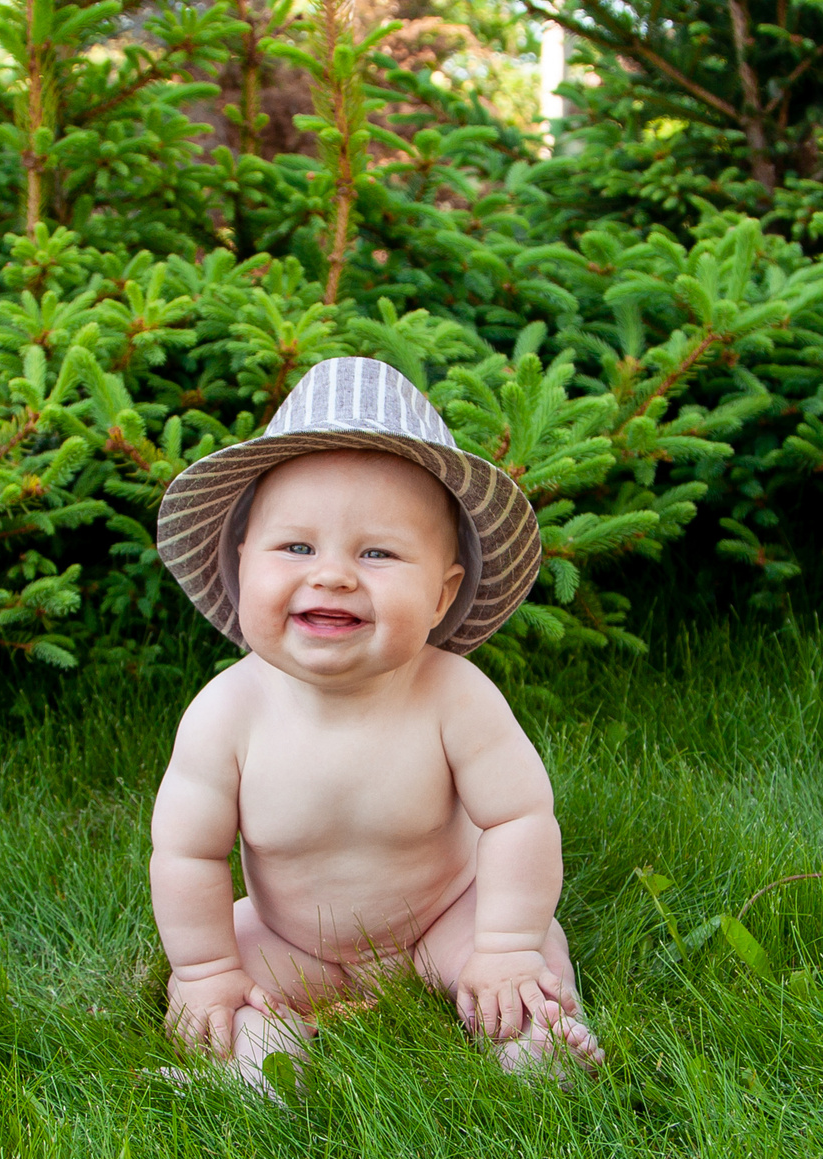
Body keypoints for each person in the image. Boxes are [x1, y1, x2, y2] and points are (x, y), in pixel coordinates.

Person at [148, 356, 606, 1092]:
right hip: (293, 939)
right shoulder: (225, 715)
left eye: (378, 553)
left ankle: (534, 1041)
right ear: (241, 565)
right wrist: (205, 970)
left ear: (441, 593)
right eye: (296, 547)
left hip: (443, 922)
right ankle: (262, 1052)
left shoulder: (454, 696)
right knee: (220, 964)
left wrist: (506, 943)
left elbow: (521, 817)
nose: (331, 575)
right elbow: (187, 854)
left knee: (530, 955)